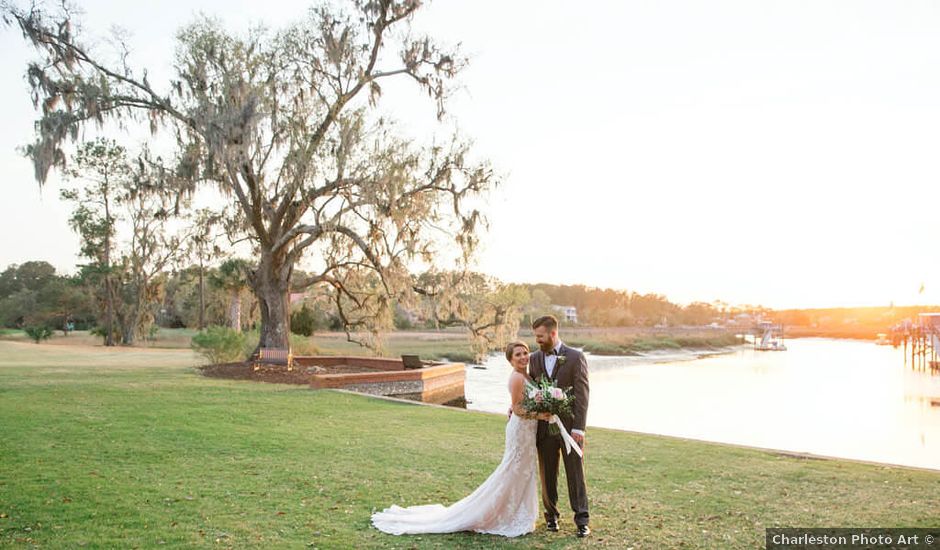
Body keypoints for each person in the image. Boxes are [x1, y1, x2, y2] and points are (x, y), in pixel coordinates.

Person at [371, 341, 551, 537]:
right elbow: (517, 409)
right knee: (512, 470)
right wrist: (539, 416)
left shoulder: (526, 375)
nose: (523, 357)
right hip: (520, 431)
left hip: (527, 431)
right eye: (518, 355)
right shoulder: (516, 377)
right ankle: (497, 513)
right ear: (510, 360)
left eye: (525, 353)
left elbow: (516, 404)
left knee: (523, 471)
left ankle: (517, 512)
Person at [528, 315, 591, 537]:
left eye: (540, 336)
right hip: (544, 428)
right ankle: (551, 517)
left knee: (575, 473)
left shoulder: (575, 357)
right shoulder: (534, 358)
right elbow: (530, 389)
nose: (537, 340)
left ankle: (582, 520)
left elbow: (582, 395)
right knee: (547, 474)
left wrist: (579, 428)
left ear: (553, 334)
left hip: (569, 429)